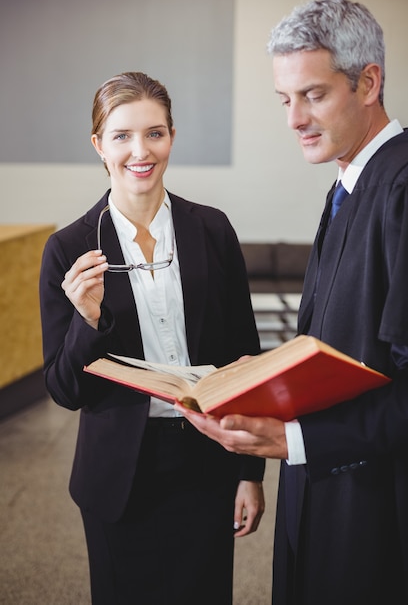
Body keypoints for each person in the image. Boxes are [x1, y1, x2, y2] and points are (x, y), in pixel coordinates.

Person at [176, 0, 408, 605]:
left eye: (312, 94)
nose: (294, 118)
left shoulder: (407, 187)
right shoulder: (350, 181)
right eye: (284, 100)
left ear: (369, 82)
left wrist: (295, 440)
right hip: (324, 487)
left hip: (379, 508)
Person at [39, 71, 265, 605]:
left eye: (155, 133)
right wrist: (86, 320)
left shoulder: (212, 230)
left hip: (206, 457)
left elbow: (243, 354)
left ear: (171, 136)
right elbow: (65, 390)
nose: (140, 151)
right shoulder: (67, 248)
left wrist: (249, 473)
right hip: (119, 473)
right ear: (99, 145)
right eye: (121, 136)